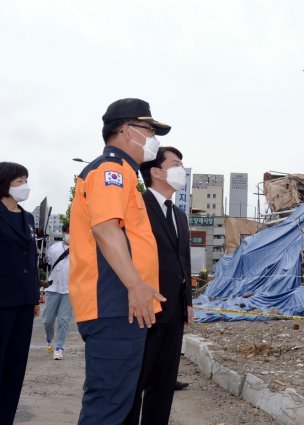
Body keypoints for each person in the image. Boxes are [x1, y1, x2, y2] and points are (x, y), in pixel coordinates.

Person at [69, 98, 170, 425]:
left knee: (117, 403)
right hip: (114, 304)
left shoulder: (124, 173)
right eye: (149, 129)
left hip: (120, 305)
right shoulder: (110, 171)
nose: (154, 137)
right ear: (127, 131)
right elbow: (106, 230)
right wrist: (136, 285)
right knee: (108, 408)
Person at [125, 147, 193, 425]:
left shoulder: (179, 215)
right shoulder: (136, 206)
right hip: (143, 307)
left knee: (164, 383)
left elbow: (183, 261)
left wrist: (188, 301)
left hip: (174, 310)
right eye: (176, 163)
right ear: (156, 171)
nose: (181, 169)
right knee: (134, 382)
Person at [0, 162, 40, 425]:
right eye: (18, 181)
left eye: (26, 180)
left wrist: (35, 295)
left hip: (24, 302)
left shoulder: (28, 218)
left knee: (15, 368)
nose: (24, 186)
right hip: (1, 301)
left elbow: (32, 258)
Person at [42, 222, 72, 360]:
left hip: (69, 290)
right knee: (48, 320)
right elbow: (46, 262)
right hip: (53, 288)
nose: (70, 236)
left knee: (64, 320)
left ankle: (59, 347)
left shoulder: (81, 249)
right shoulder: (53, 249)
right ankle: (49, 339)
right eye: (68, 232)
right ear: (63, 233)